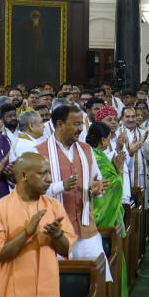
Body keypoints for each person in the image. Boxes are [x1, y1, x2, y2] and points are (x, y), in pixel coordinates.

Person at [0, 152, 74, 297]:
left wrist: (58, 235)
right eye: (42, 174)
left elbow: (65, 250)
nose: (50, 179)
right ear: (24, 176)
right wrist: (26, 233)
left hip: (48, 296)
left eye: (49, 173)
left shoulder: (54, 206)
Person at [37, 103, 108, 271]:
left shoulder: (86, 149)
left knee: (100, 275)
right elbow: (33, 192)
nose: (81, 129)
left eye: (82, 124)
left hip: (85, 229)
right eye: (76, 124)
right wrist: (61, 186)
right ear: (60, 124)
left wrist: (96, 190)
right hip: (54, 231)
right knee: (60, 282)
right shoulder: (39, 152)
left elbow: (95, 182)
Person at [87, 122, 130, 297]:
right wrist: (119, 171)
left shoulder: (87, 153)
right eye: (109, 138)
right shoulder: (99, 158)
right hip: (102, 217)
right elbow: (112, 186)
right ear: (103, 139)